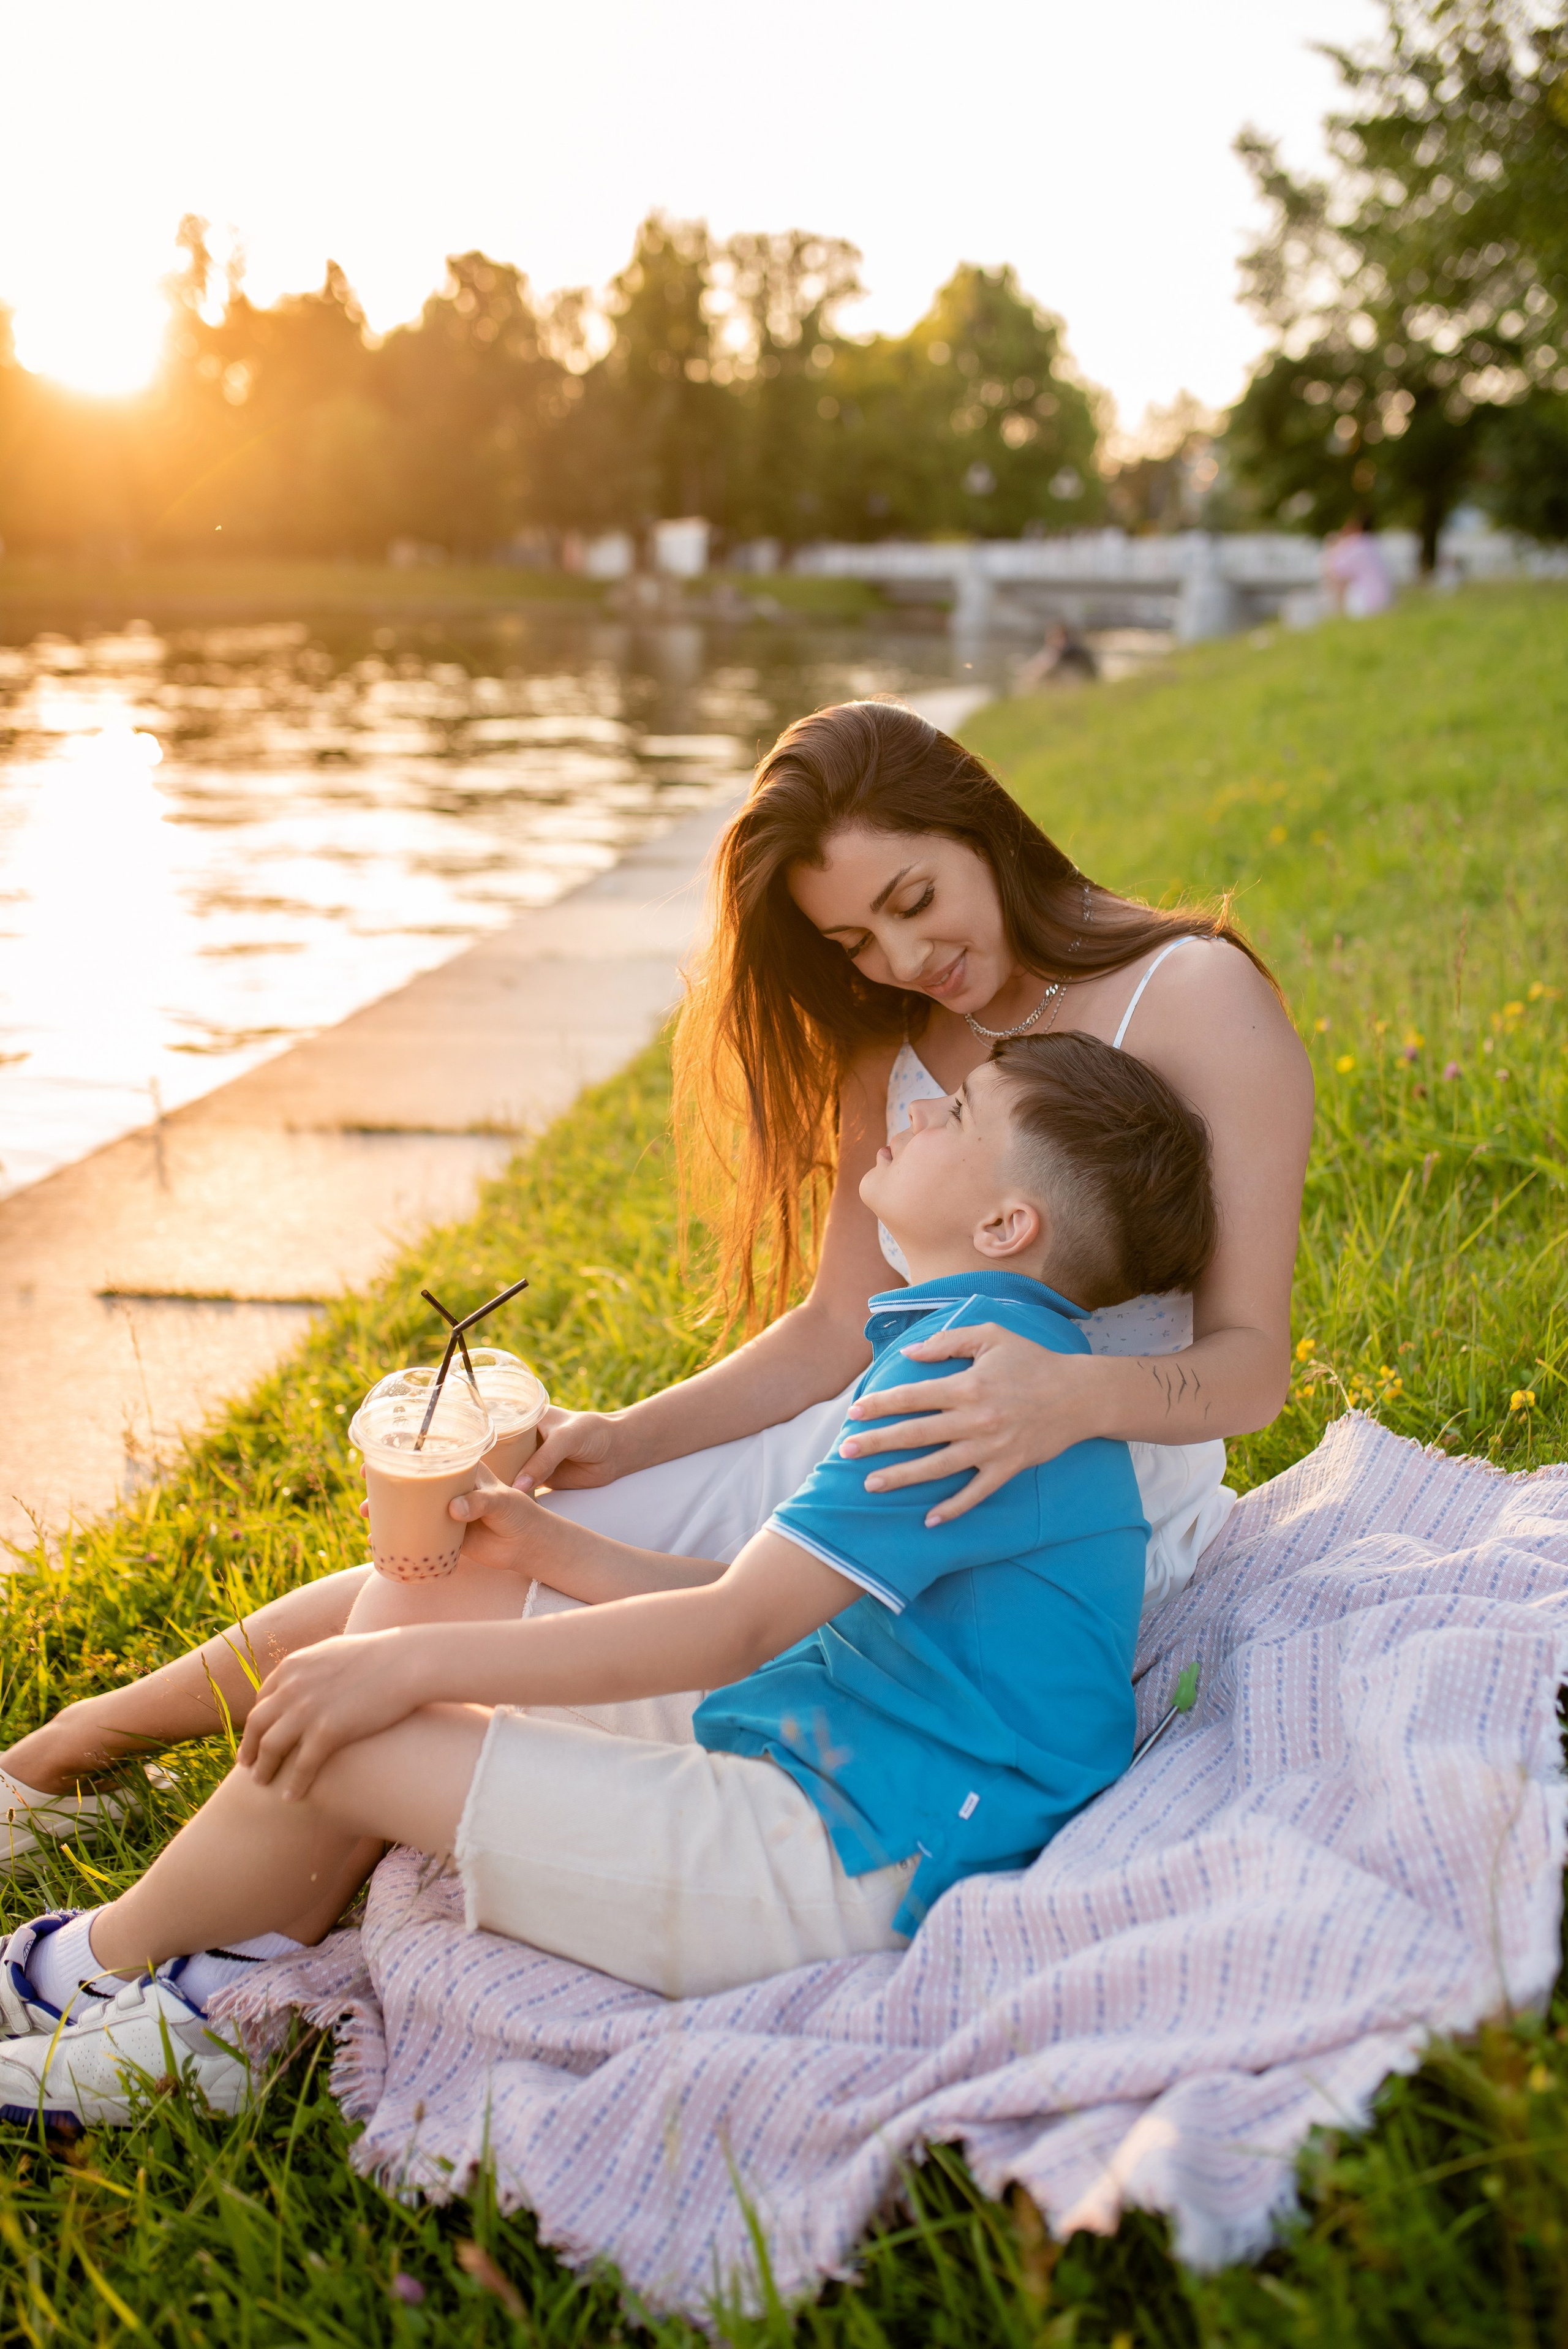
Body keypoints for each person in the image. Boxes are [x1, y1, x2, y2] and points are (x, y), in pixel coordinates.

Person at [0, 700, 1311, 1858]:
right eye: (852, 940)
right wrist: (618, 1440)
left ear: (981, 825)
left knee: (517, 1598)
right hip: (873, 1435)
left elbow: (1250, 1365)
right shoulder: (895, 1040)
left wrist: (1064, 1399)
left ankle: (133, 1765)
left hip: (1070, 1492)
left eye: (913, 902)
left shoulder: (1186, 996)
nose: (903, 961)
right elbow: (833, 1333)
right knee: (463, 1550)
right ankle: (86, 1747)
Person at [0, 1030, 1218, 2124]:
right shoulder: (977, 1353)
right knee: (442, 1593)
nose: (918, 1109)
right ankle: (224, 1975)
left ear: (1007, 1226)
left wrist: (401, 1667)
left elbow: (734, 1627)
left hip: (851, 1849)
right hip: (838, 1738)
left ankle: (85, 1969)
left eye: (956, 1116)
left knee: (347, 1722)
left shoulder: (962, 1387)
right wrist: (545, 1555)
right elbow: (767, 1599)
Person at [1322, 515, 1394, 619]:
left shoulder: (1354, 547)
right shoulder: (1374, 543)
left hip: (1366, 602)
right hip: (1385, 599)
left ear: (1357, 528)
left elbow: (1334, 571)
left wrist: (1335, 547)